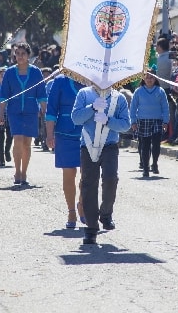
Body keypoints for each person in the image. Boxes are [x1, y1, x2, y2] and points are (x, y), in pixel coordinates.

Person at [71, 85, 131, 245]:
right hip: (88, 145)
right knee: (88, 185)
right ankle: (91, 229)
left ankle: (106, 213)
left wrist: (109, 121)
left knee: (111, 179)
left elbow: (126, 125)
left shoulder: (119, 98)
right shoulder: (84, 94)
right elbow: (76, 118)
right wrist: (91, 108)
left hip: (110, 145)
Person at [0, 42, 47, 186]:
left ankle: (24, 172)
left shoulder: (36, 72)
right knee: (18, 139)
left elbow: (42, 94)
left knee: (27, 143)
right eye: (17, 53)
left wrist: (45, 110)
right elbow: (3, 94)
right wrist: (1, 113)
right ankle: (17, 171)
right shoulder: (9, 72)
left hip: (31, 111)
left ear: (28, 55)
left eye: (23, 54)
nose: (20, 56)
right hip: (14, 111)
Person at [45, 74, 86, 228]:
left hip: (88, 134)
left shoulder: (93, 80)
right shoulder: (60, 81)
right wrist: (49, 134)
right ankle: (71, 211)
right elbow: (51, 109)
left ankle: (82, 204)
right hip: (64, 134)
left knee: (87, 174)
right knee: (69, 173)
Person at [130, 68, 169, 177]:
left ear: (155, 78)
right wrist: (133, 121)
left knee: (156, 144)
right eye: (147, 77)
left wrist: (165, 121)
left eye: (151, 77)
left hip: (157, 121)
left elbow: (165, 107)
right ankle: (145, 168)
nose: (149, 79)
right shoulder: (139, 91)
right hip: (143, 121)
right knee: (145, 145)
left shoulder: (160, 91)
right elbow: (133, 108)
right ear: (143, 78)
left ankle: (155, 164)